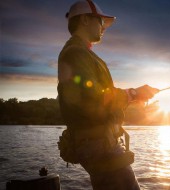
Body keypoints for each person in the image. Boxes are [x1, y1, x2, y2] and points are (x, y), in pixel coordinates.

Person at [57, 0, 158, 189]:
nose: (104, 27)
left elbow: (99, 100)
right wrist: (133, 93)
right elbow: (91, 97)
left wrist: (133, 97)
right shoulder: (76, 53)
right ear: (85, 20)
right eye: (101, 21)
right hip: (98, 145)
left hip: (99, 143)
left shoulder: (82, 53)